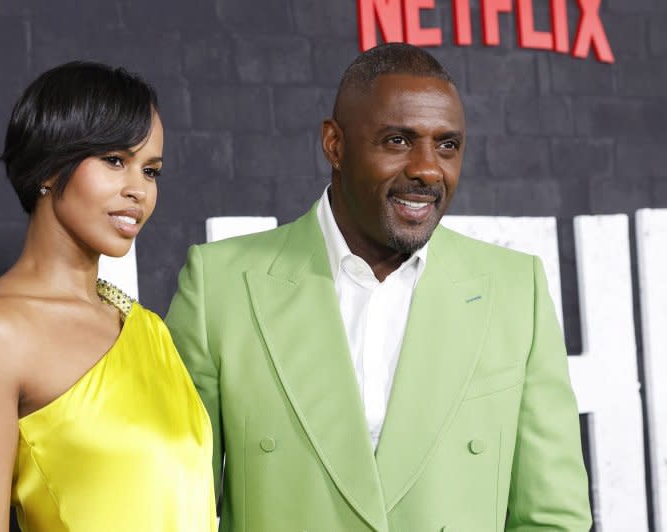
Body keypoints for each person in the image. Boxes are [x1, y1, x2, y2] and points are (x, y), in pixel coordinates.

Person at [166, 43, 592, 531]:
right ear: (335, 145)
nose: (428, 168)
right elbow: (178, 507)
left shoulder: (516, 291)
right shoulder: (221, 286)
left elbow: (553, 516)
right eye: (397, 141)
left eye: (447, 145)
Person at [0, 61, 215, 532]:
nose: (138, 191)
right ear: (49, 167)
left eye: (151, 171)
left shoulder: (149, 330)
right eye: (114, 161)